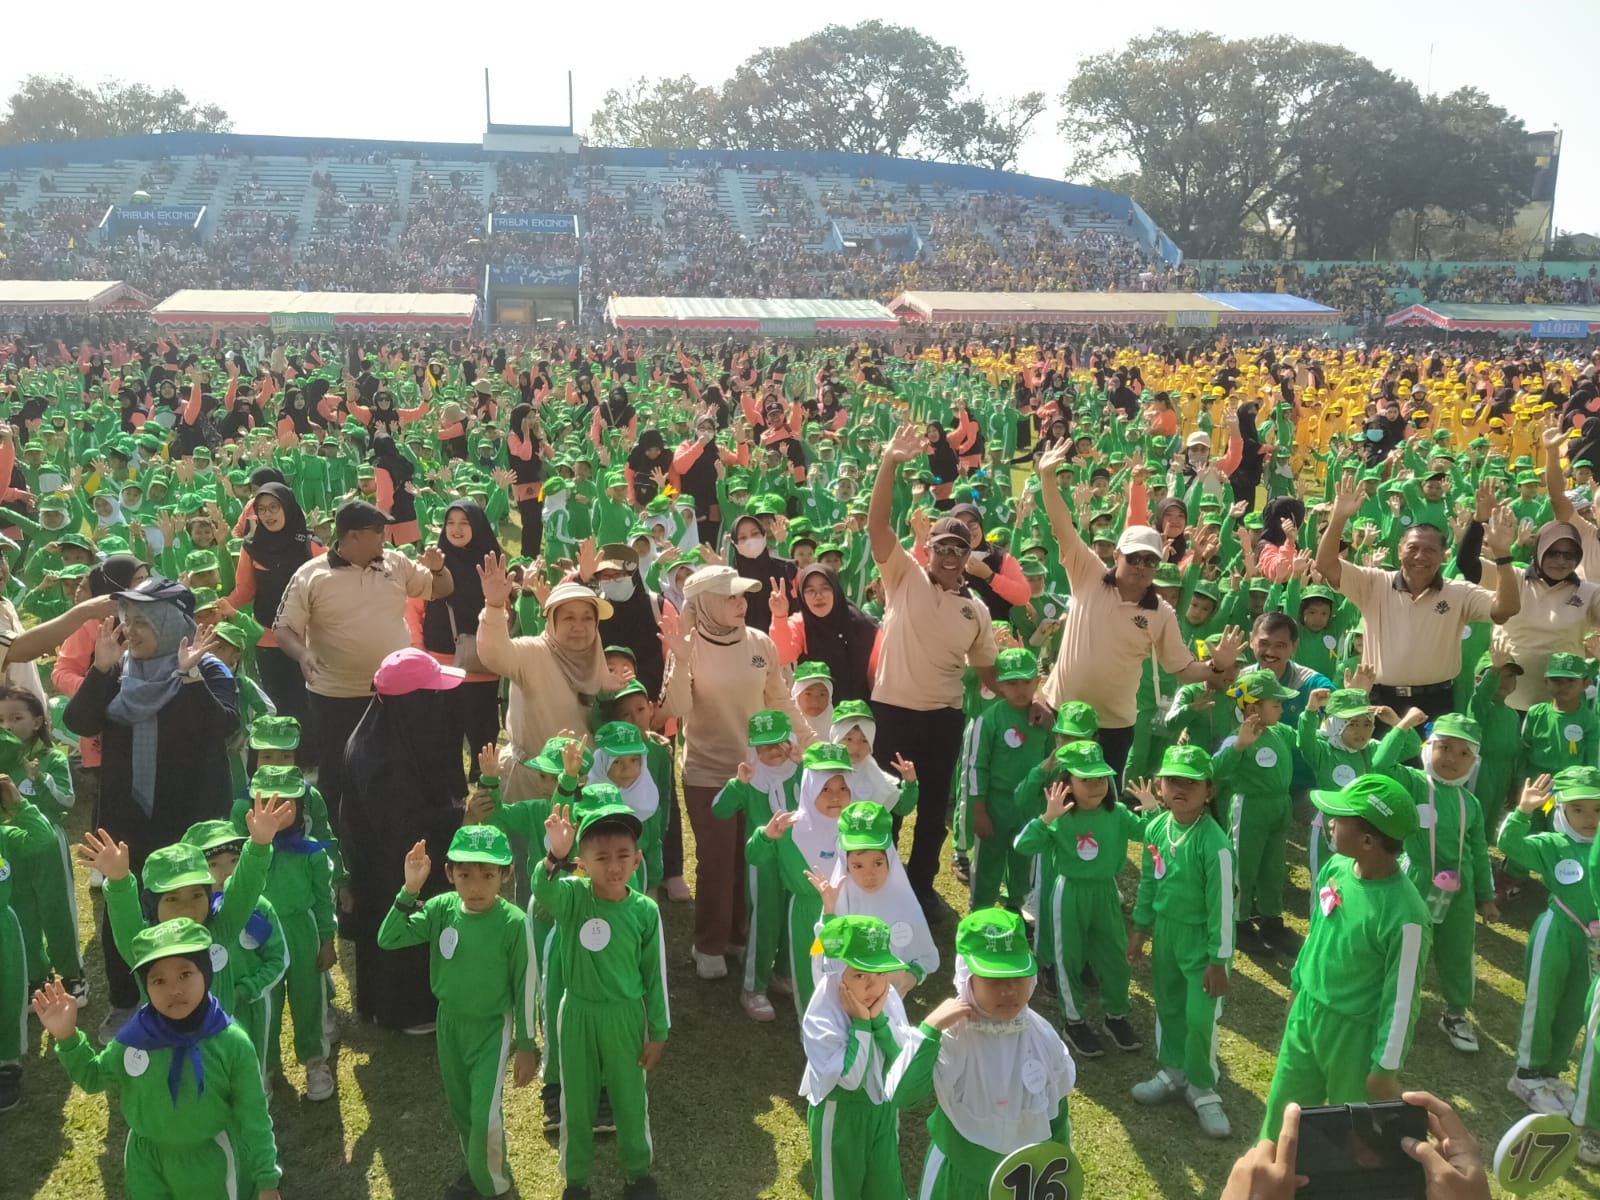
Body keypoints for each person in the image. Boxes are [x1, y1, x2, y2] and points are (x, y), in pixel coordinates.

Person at [64, 579, 239, 1037]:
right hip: (127, 817)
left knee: (190, 907)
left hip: (188, 816)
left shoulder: (208, 668)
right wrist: (99, 672)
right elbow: (79, 722)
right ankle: (126, 1002)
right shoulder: (117, 671)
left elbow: (222, 726)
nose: (130, 630)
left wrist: (189, 677)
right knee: (125, 909)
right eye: (127, 620)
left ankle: (201, 996)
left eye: (142, 621)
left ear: (169, 623)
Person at [1033, 441, 1244, 782]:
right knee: (1055, 796)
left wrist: (1217, 665)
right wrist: (1046, 477)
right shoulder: (1087, 575)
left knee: (1103, 803)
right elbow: (1062, 528)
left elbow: (1183, 669)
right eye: (1134, 557)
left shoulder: (1160, 612)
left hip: (1115, 726)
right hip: (1065, 714)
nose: (1141, 566)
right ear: (1117, 555)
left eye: (1150, 560)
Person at [32, 921, 283, 1200]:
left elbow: (254, 1117)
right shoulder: (135, 1040)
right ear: (146, 987)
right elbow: (93, 1078)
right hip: (146, 1163)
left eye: (185, 974)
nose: (174, 989)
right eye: (158, 980)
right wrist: (67, 1036)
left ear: (206, 973)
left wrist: (267, 1180)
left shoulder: (231, 1044)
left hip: (211, 1162)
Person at [866, 425, 1000, 907]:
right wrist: (890, 463)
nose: (947, 556)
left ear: (968, 557)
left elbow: (988, 673)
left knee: (930, 811)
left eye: (957, 550)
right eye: (941, 547)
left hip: (943, 719)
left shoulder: (977, 611)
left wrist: (1032, 700)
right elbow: (877, 527)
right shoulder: (903, 576)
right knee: (889, 808)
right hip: (894, 713)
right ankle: (878, 885)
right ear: (929, 549)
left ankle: (920, 889)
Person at [659, 564, 810, 980]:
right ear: (704, 603)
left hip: (761, 773)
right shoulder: (687, 645)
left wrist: (812, 743)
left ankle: (740, 937)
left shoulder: (759, 641)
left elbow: (780, 699)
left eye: (743, 596)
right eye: (730, 597)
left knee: (753, 858)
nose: (742, 603)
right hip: (708, 771)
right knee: (717, 860)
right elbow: (677, 709)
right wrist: (681, 658)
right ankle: (708, 943)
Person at [1258, 773, 1429, 1140]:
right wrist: (1297, 988)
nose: (1330, 823)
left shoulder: (1406, 915)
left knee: (1352, 1136)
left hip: (1354, 1037)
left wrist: (1385, 1068)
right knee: (1282, 1116)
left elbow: (1401, 1001)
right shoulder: (1335, 869)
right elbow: (1317, 937)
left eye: (1340, 818)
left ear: (1368, 840)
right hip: (1307, 1016)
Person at [274, 499, 454, 829]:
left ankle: (396, 829)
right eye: (378, 531)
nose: (385, 536)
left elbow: (440, 590)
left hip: (394, 694)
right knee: (338, 768)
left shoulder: (396, 563)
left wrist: (439, 568)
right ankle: (340, 837)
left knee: (398, 762)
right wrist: (303, 654)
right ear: (353, 536)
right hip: (335, 694)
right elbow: (283, 628)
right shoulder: (311, 575)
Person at [378, 824, 536, 1200]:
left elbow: (527, 984)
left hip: (490, 1029)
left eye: (488, 875)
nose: (476, 886)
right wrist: (410, 889)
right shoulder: (440, 910)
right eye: (465, 875)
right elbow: (389, 937)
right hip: (449, 1025)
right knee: (462, 1108)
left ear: (506, 874)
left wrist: (526, 1043)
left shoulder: (514, 923)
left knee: (484, 1114)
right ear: (449, 874)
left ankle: (495, 1187)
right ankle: (478, 1169)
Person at [886, 907, 1075, 1199]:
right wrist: (930, 1029)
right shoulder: (952, 1036)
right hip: (958, 1178)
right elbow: (903, 1096)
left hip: (1024, 1185)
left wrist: (1061, 1169)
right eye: (994, 979)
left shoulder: (1042, 1036)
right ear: (967, 978)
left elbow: (1057, 1113)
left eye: (1017, 976)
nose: (1009, 990)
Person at [538, 801, 670, 1200]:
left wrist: (658, 1031)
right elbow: (542, 890)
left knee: (630, 1100)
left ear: (637, 860)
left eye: (623, 856)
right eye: (601, 857)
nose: (613, 866)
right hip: (578, 1013)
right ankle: (576, 1181)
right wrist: (553, 857)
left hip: (625, 1018)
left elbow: (654, 976)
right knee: (576, 1104)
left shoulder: (645, 911)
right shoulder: (573, 898)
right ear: (582, 863)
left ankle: (638, 1174)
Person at [340, 648, 469, 1033]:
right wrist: (461, 817)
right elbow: (400, 827)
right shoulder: (380, 756)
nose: (439, 704)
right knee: (399, 926)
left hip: (383, 865)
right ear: (412, 703)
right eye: (432, 696)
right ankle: (406, 1010)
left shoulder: (388, 733)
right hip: (387, 869)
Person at [1315, 478, 1519, 719]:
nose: (1420, 556)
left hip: (1436, 702)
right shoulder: (1373, 583)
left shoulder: (1459, 592)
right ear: (1400, 549)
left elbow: (1505, 609)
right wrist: (1339, 517)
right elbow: (1326, 565)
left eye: (1431, 550)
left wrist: (1503, 554)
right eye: (1412, 548)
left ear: (1444, 556)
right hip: (1380, 699)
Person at [1015, 740, 1158, 1058]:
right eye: (1086, 779)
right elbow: (1022, 845)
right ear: (1067, 783)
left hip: (1106, 892)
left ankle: (1116, 1015)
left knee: (1116, 956)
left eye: (1100, 778)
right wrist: (1047, 818)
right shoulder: (1060, 817)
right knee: (1070, 959)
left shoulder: (1117, 813)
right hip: (1069, 894)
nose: (1095, 786)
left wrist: (1152, 808)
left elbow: (1149, 832)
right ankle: (1074, 1021)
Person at [1126, 744, 1236, 1138]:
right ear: (1160, 786)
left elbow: (1223, 906)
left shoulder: (1215, 844)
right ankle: (1173, 1070)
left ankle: (1203, 1088)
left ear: (1209, 791)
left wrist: (1218, 959)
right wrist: (1140, 928)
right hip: (1167, 935)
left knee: (1199, 1016)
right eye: (1173, 780)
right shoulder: (1158, 827)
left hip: (1201, 943)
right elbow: (1149, 879)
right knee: (1169, 1005)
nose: (1180, 789)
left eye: (1191, 783)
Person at [1372, 709, 1497, 1054]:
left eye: (1463, 754)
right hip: (1416, 881)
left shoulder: (1469, 803)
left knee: (1457, 949)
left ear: (1473, 762)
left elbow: (1479, 850)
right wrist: (1401, 727)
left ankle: (1455, 1013)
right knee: (1404, 943)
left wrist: (1485, 895)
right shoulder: (1413, 783)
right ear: (1428, 748)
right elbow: (1380, 767)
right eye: (1444, 748)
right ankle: (1387, 1003)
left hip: (1459, 888)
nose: (1451, 760)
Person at [1500, 767, 1600, 1114]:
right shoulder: (1554, 845)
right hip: (1556, 932)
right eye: (1578, 809)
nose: (1589, 819)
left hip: (1593, 945)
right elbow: (1508, 845)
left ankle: (1552, 1071)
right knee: (1543, 1002)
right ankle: (1526, 1072)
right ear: (1561, 811)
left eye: (1598, 809)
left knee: (1576, 1007)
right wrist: (1523, 811)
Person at [475, 557, 612, 804]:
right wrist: (494, 606)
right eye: (568, 618)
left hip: (584, 786)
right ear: (551, 622)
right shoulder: (534, 653)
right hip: (531, 788)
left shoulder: (597, 659)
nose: (579, 627)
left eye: (587, 618)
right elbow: (495, 654)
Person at [800, 914, 914, 1200]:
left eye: (880, 974)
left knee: (887, 1190)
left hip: (882, 1111)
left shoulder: (888, 1000)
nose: (873, 986)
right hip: (841, 1116)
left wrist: (879, 1024)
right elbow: (849, 1079)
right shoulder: (822, 1017)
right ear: (838, 975)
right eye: (860, 975)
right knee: (840, 1191)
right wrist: (862, 1025)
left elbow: (903, 1060)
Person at [220, 482, 321, 755]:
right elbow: (245, 590)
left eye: (274, 507)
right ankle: (285, 758)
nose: (268, 514)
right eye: (261, 509)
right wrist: (219, 607)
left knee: (308, 699)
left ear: (287, 507)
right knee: (279, 701)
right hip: (268, 636)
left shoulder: (310, 546)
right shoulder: (251, 547)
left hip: (307, 639)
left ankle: (312, 756)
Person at [963, 647, 1051, 910]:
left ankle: (1016, 906)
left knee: (1023, 858)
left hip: (1030, 806)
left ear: (1037, 682)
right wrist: (979, 811)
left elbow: (1051, 761)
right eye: (1012, 683)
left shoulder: (1043, 719)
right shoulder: (989, 719)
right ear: (999, 684)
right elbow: (976, 767)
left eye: (1027, 682)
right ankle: (980, 910)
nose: (1020, 690)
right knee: (989, 860)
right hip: (995, 805)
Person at [420, 501, 503, 782]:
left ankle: (485, 783)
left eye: (464, 523)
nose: (456, 529)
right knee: (446, 730)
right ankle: (452, 786)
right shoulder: (435, 560)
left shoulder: (491, 559)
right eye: (451, 522)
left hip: (481, 660)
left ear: (477, 526)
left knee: (483, 729)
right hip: (442, 659)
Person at [0, 770, 57, 1111]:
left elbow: (42, 839)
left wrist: (19, 804)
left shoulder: (5, 836)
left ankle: (7, 1066)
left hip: (4, 933)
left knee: (8, 996)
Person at [768, 563, 881, 705]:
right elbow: (783, 656)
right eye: (810, 590)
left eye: (825, 588)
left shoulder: (861, 624)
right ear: (802, 596)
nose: (818, 596)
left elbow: (877, 676)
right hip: (815, 712)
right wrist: (779, 617)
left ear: (836, 590)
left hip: (857, 714)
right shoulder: (800, 623)